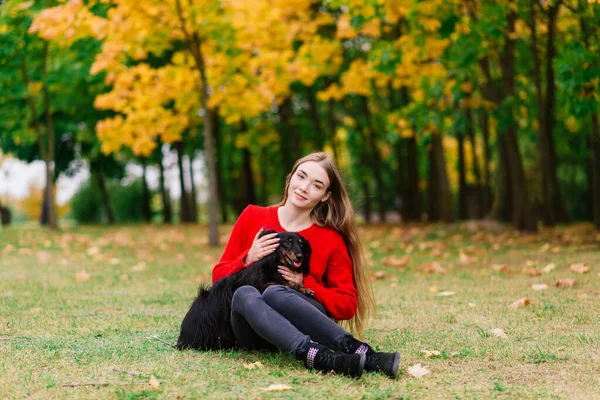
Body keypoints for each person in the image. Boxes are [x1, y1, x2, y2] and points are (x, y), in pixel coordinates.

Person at [211, 151, 400, 379]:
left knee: (275, 293)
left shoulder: (331, 239)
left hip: (302, 323)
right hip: (252, 332)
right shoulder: (252, 216)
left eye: (316, 185)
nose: (304, 187)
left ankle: (352, 352)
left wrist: (304, 283)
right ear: (290, 177)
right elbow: (217, 280)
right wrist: (248, 258)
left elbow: (347, 304)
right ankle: (320, 356)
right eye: (301, 176)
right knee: (243, 294)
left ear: (325, 195)